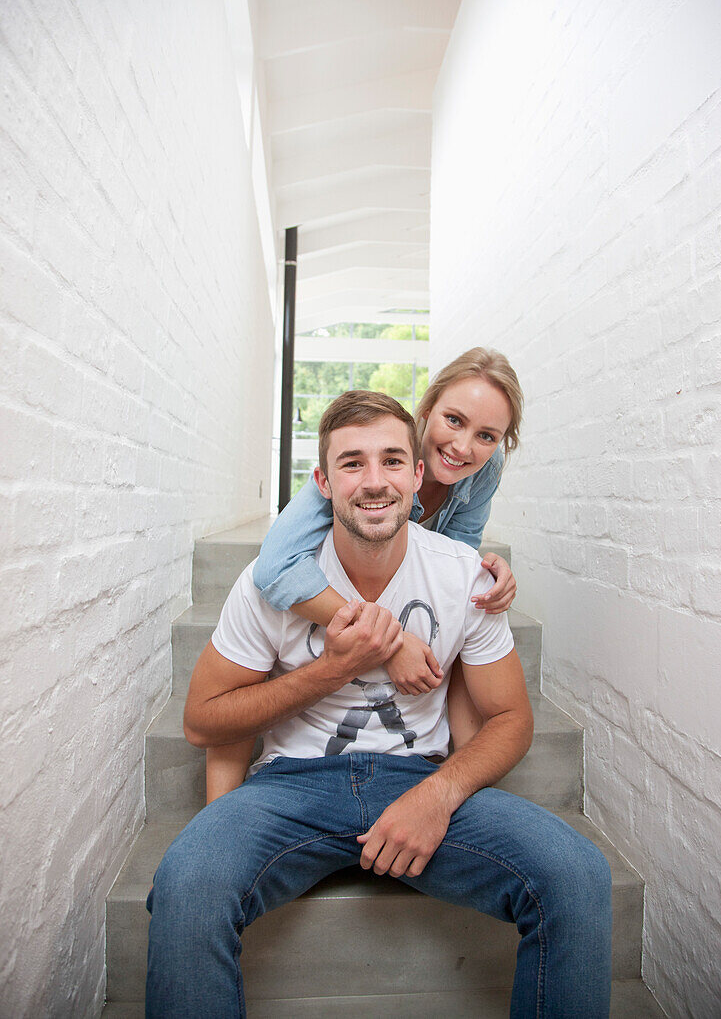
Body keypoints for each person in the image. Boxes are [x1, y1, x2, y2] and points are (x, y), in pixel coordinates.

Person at [146, 391, 612, 1017]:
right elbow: (203, 720)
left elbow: (511, 719)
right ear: (321, 481)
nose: (374, 482)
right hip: (291, 787)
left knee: (577, 875)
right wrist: (333, 668)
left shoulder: (462, 575)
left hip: (418, 776)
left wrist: (438, 795)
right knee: (187, 882)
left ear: (418, 475)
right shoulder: (271, 581)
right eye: (351, 463)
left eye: (393, 460)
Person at [206, 347, 524, 803]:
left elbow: (459, 557)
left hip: (406, 576)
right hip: (360, 578)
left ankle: (458, 790)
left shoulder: (484, 470)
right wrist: (388, 640)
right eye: (454, 421)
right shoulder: (364, 464)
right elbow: (275, 568)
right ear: (426, 411)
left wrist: (486, 576)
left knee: (457, 645)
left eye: (487, 435)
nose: (464, 447)